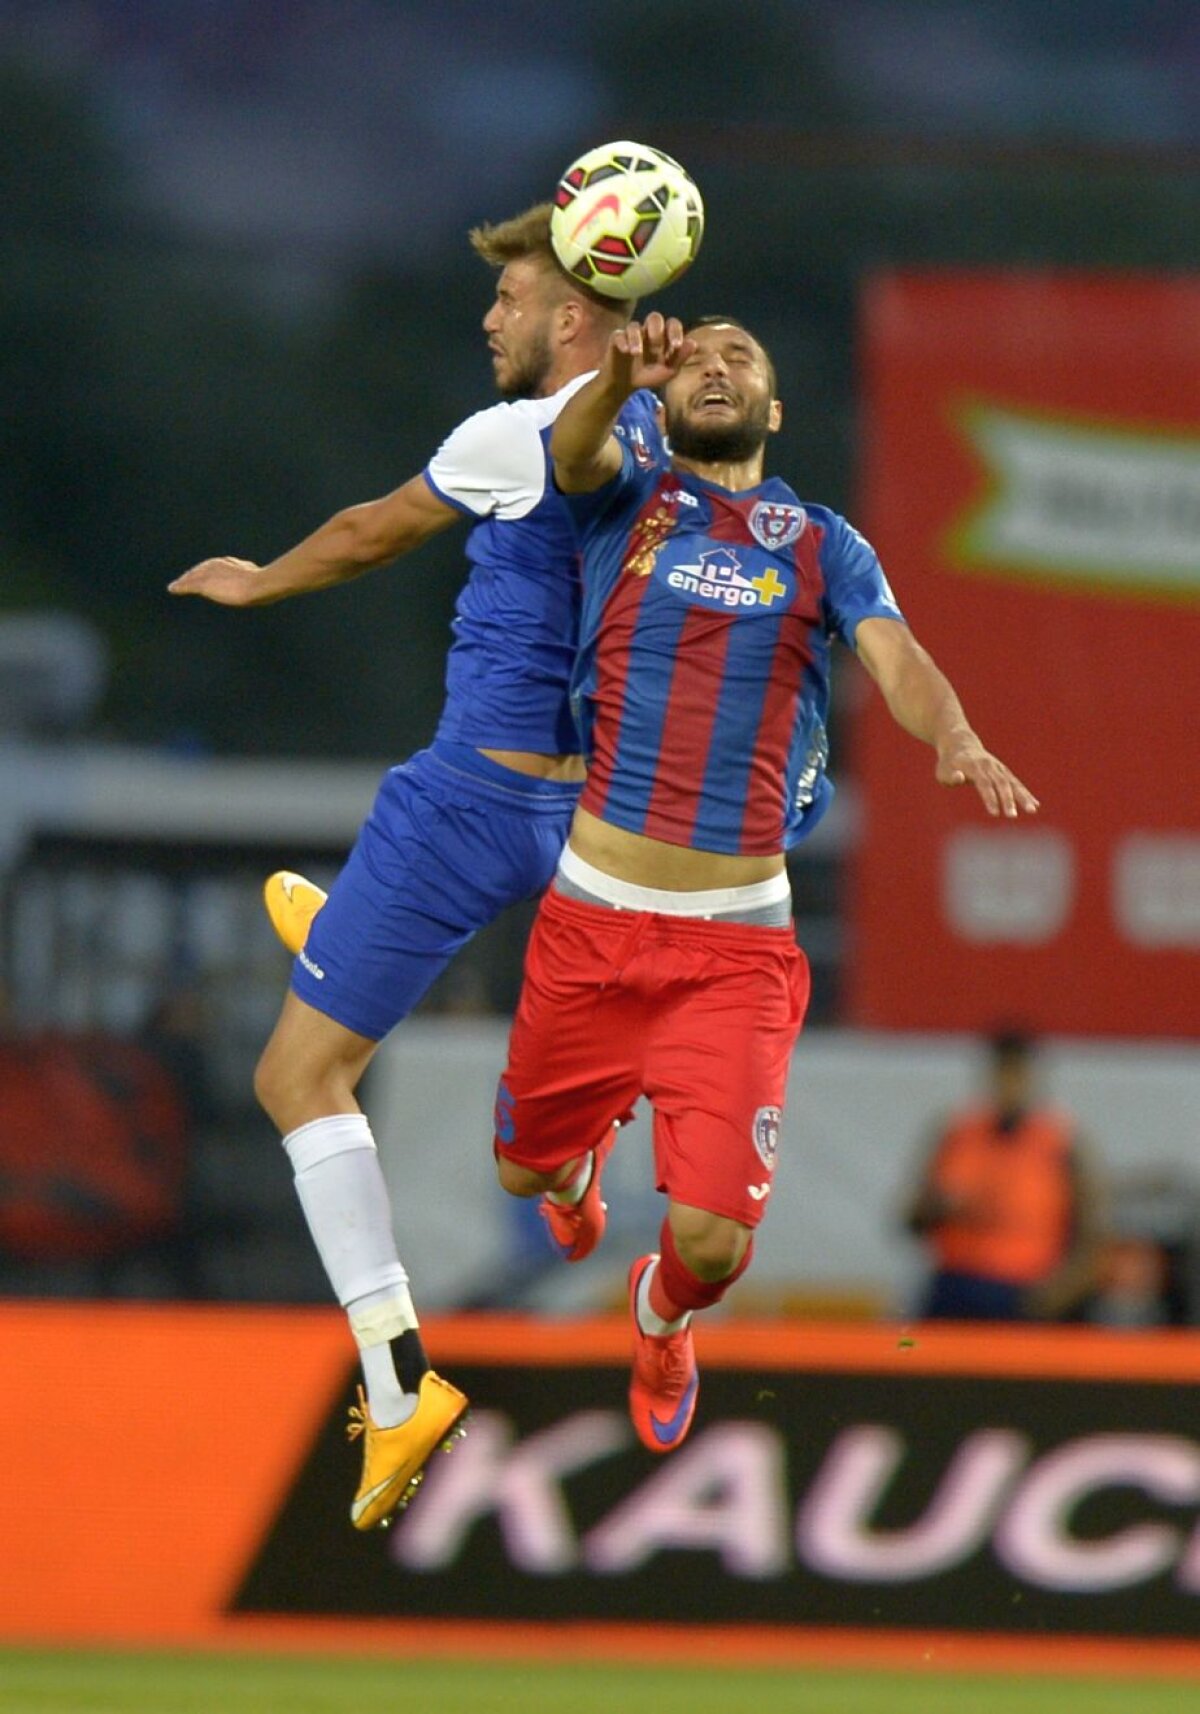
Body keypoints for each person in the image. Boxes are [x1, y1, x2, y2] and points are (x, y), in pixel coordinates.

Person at [168, 205, 661, 1529]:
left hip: (473, 801)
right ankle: (561, 1162)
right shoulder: (680, 440)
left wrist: (258, 582)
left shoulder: (515, 433)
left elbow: (378, 527)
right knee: (543, 1073)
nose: (488, 318)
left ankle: (397, 1378)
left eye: (508, 296)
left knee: (299, 1072)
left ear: (573, 315)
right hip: (603, 820)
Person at [491, 311, 1040, 1454]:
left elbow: (896, 653)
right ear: (661, 392)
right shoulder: (621, 497)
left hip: (732, 948)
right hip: (594, 916)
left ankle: (658, 1318)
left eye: (742, 357)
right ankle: (573, 1163)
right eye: (696, 358)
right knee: (521, 1168)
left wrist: (955, 735)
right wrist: (611, 383)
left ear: (774, 408)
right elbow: (574, 451)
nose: (717, 367)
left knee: (713, 1248)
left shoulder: (820, 541)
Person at [903, 1029, 1109, 1321]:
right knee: (908, 1346)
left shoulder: (1062, 1144)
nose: (1009, 1086)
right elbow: (910, 1220)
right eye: (1002, 1074)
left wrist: (1055, 1295)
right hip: (955, 1282)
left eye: (1017, 1075)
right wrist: (935, 1206)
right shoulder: (958, 1135)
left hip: (1026, 1289)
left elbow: (1093, 1233)